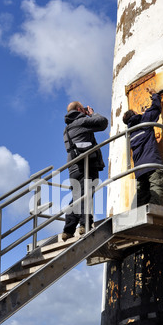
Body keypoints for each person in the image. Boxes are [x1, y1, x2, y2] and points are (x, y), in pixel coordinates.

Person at [62, 101, 108, 241]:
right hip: (86, 164)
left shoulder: (67, 128)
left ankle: (69, 229)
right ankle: (84, 224)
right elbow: (102, 122)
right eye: (83, 109)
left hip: (73, 166)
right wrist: (92, 113)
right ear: (79, 109)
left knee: (78, 195)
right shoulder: (81, 121)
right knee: (86, 194)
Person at [123, 88, 163, 207]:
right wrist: (154, 94)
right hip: (152, 163)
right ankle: (153, 210)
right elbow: (156, 108)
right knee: (157, 187)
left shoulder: (129, 134)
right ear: (136, 114)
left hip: (139, 169)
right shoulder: (144, 120)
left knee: (141, 193)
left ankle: (134, 214)